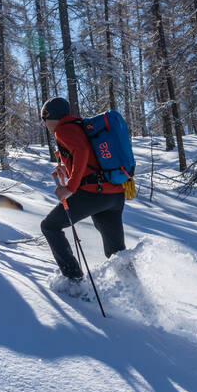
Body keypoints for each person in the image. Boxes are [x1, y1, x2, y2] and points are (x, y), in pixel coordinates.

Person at [40, 97, 125, 281]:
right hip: (114, 195)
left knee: (50, 226)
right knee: (116, 252)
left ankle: (75, 280)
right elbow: (88, 157)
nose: (45, 123)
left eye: (44, 118)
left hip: (93, 194)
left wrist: (70, 187)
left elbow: (82, 152)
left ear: (50, 116)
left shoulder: (63, 129)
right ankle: (133, 287)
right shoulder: (80, 127)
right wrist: (68, 170)